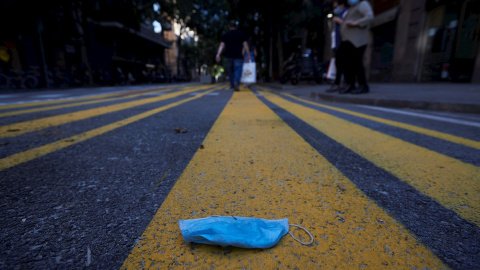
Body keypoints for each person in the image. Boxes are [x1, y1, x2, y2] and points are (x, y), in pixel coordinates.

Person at [339, 0, 373, 94]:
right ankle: (350, 84)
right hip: (348, 40)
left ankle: (363, 86)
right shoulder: (352, 8)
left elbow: (369, 16)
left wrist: (356, 23)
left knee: (356, 63)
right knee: (348, 64)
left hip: (357, 41)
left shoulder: (363, 4)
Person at [216, 20, 251, 91]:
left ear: (229, 27)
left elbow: (222, 45)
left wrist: (218, 54)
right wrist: (248, 54)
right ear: (236, 27)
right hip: (238, 55)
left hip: (229, 55)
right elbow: (245, 45)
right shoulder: (240, 34)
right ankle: (236, 82)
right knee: (237, 69)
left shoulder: (226, 34)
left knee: (230, 70)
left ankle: (232, 85)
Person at [327, 0, 349, 92]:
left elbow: (348, 24)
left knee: (344, 64)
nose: (335, 9)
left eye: (336, 7)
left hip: (344, 41)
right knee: (338, 64)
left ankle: (345, 83)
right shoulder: (338, 15)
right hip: (337, 43)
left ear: (342, 5)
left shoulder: (347, 12)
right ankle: (337, 83)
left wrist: (340, 21)